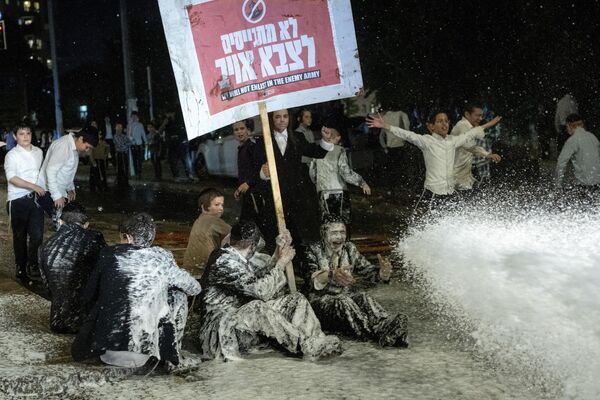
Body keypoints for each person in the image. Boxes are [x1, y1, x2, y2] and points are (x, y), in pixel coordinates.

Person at [72, 213, 201, 370]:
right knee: (177, 294)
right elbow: (194, 288)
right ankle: (171, 354)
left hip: (106, 349)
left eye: (122, 238)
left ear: (128, 237)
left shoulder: (109, 254)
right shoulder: (162, 257)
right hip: (146, 353)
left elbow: (88, 295)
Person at [198, 220, 342, 360]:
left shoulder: (234, 257)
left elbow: (254, 279)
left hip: (238, 320)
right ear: (252, 245)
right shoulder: (225, 261)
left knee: (295, 300)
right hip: (222, 328)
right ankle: (304, 344)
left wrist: (276, 256)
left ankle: (316, 339)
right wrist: (281, 264)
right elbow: (261, 292)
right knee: (257, 308)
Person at [304, 217, 408, 347]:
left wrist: (382, 274)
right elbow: (311, 280)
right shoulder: (313, 250)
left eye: (342, 232)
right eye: (334, 233)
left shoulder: (349, 248)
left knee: (363, 297)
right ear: (323, 234)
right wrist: (332, 274)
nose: (339, 237)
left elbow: (368, 272)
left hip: (344, 300)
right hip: (319, 305)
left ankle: (386, 324)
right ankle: (375, 334)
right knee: (343, 301)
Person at [366, 111, 501, 209]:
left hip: (450, 192)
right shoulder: (427, 141)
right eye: (440, 121)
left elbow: (470, 134)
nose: (444, 124)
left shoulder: (452, 141)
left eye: (446, 121)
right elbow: (408, 135)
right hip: (432, 194)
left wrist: (488, 124)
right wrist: (386, 126)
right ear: (431, 126)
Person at [254, 108, 335, 251]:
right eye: (277, 117)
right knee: (277, 233)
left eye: (285, 116)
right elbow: (255, 168)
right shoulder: (262, 142)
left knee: (298, 231)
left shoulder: (297, 137)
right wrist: (262, 172)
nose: (282, 120)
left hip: (296, 194)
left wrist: (326, 140)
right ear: (271, 120)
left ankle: (300, 262)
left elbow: (316, 152)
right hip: (275, 195)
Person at [38, 203, 106, 333]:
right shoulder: (94, 238)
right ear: (86, 224)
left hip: (58, 321)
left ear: (60, 222)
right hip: (87, 323)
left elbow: (48, 288)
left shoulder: (44, 247)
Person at [4, 123, 45, 284]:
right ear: (15, 136)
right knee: (20, 236)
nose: (25, 136)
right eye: (21, 134)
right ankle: (20, 266)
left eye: (28, 133)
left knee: (37, 236)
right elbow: (12, 178)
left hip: (36, 200)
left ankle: (33, 265)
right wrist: (33, 186)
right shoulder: (12, 155)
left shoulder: (39, 152)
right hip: (17, 200)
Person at [309, 128, 371, 231]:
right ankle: (344, 244)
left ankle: (327, 245)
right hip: (339, 191)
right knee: (342, 222)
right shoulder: (339, 150)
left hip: (322, 190)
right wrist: (361, 182)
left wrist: (318, 183)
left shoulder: (316, 151)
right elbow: (345, 172)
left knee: (327, 222)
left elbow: (312, 172)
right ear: (337, 137)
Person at [36, 126, 98, 225]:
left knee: (66, 224)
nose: (87, 150)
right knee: (63, 225)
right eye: (87, 147)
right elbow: (50, 171)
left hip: (58, 191)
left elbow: (67, 171)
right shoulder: (63, 146)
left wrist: (70, 187)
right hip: (48, 191)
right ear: (81, 138)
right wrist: (56, 196)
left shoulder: (73, 147)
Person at [450, 102, 502, 191]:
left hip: (462, 174)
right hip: (454, 175)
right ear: (467, 114)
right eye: (477, 116)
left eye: (481, 116)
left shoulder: (469, 127)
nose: (480, 118)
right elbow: (469, 146)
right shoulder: (462, 125)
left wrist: (488, 155)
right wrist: (487, 155)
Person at [183, 188, 231, 278]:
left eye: (222, 205)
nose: (221, 208)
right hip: (205, 273)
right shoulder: (214, 220)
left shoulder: (198, 220)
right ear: (204, 206)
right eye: (216, 205)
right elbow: (239, 235)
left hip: (189, 271)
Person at [555, 114, 600, 195]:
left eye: (566, 126)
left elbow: (561, 163)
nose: (566, 129)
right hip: (598, 182)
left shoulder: (573, 140)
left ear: (569, 126)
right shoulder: (593, 137)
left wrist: (558, 184)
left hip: (584, 184)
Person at [232, 119, 260, 223]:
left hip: (253, 192)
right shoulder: (241, 148)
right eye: (236, 130)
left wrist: (248, 183)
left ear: (248, 130)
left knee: (247, 222)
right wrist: (239, 189)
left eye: (242, 128)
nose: (239, 132)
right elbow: (243, 172)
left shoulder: (251, 147)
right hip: (247, 192)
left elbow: (258, 169)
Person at [127, 111, 147, 178]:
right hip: (133, 144)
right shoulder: (130, 125)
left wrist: (146, 142)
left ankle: (139, 173)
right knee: (134, 159)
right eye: (132, 116)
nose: (133, 117)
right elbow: (129, 135)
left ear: (137, 116)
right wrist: (132, 139)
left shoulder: (140, 124)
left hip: (139, 144)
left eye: (134, 116)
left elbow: (143, 134)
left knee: (139, 159)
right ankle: (136, 173)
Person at [113, 122, 131, 190]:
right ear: (115, 128)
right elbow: (119, 145)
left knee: (125, 168)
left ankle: (126, 182)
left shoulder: (124, 136)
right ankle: (119, 183)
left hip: (124, 154)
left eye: (120, 127)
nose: (119, 129)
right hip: (119, 154)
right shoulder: (115, 136)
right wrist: (125, 145)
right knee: (119, 168)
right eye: (118, 127)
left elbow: (129, 142)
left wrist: (124, 145)